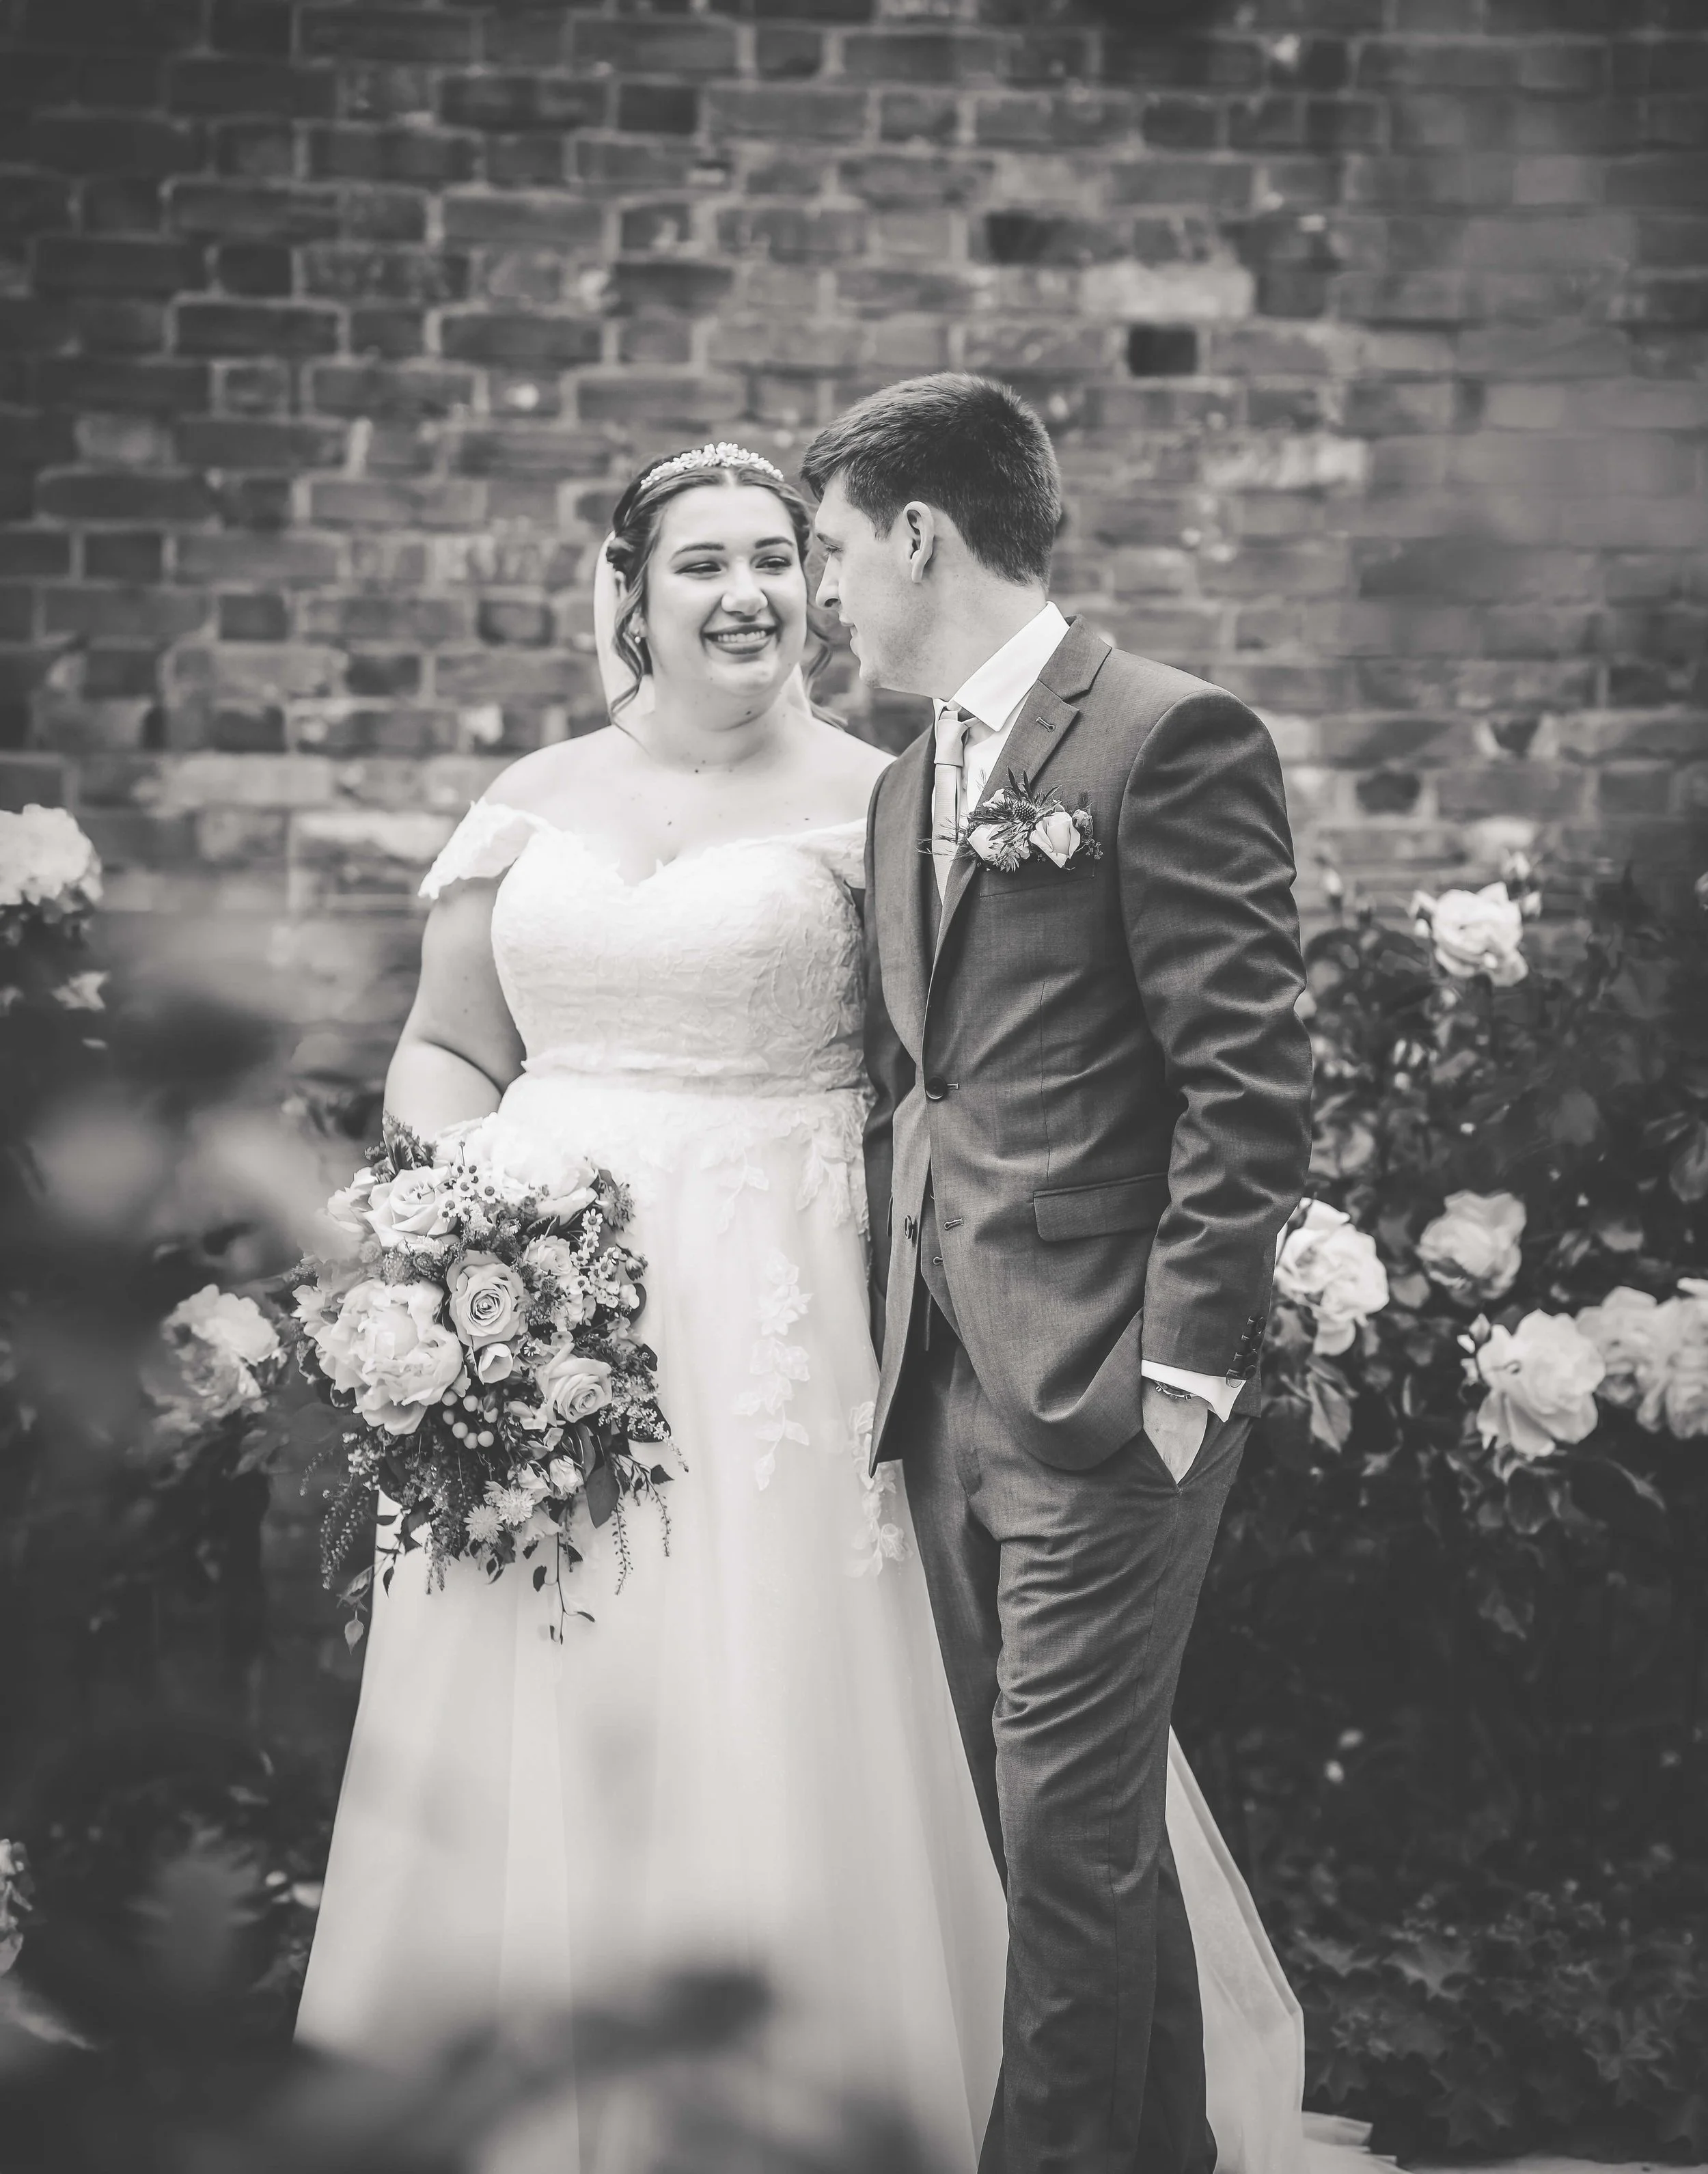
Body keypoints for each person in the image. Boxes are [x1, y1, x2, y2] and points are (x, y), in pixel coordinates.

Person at [294, 435, 1367, 2174]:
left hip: (793, 1313)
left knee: (805, 1693)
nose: (750, 592)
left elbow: (968, 1073)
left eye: (780, 557)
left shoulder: (886, 799)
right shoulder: (528, 798)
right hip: (538, 1313)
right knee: (543, 1691)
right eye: (702, 562)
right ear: (626, 598)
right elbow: (440, 1048)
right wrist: (472, 1226)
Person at [802, 373, 1317, 2174]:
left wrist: (1176, 1381)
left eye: (833, 554)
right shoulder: (901, 790)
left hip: (1104, 1398)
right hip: (941, 1392)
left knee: (1065, 1857)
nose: (826, 601)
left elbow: (1247, 1079)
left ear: (917, 534)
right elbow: (916, 1084)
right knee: (1068, 1849)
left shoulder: (1164, 736)